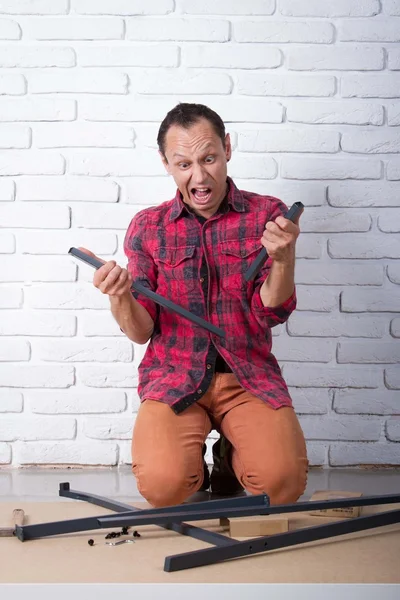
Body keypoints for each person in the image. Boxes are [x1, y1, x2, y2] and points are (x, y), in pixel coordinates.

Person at [81, 102, 309, 508]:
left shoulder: (267, 214)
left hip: (247, 375)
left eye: (209, 158)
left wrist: (284, 259)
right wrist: (119, 296)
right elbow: (140, 331)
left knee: (282, 486)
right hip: (174, 376)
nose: (200, 177)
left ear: (227, 148)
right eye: (183, 164)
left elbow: (271, 311)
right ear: (165, 163)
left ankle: (229, 455)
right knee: (165, 490)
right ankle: (195, 466)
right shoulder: (148, 226)